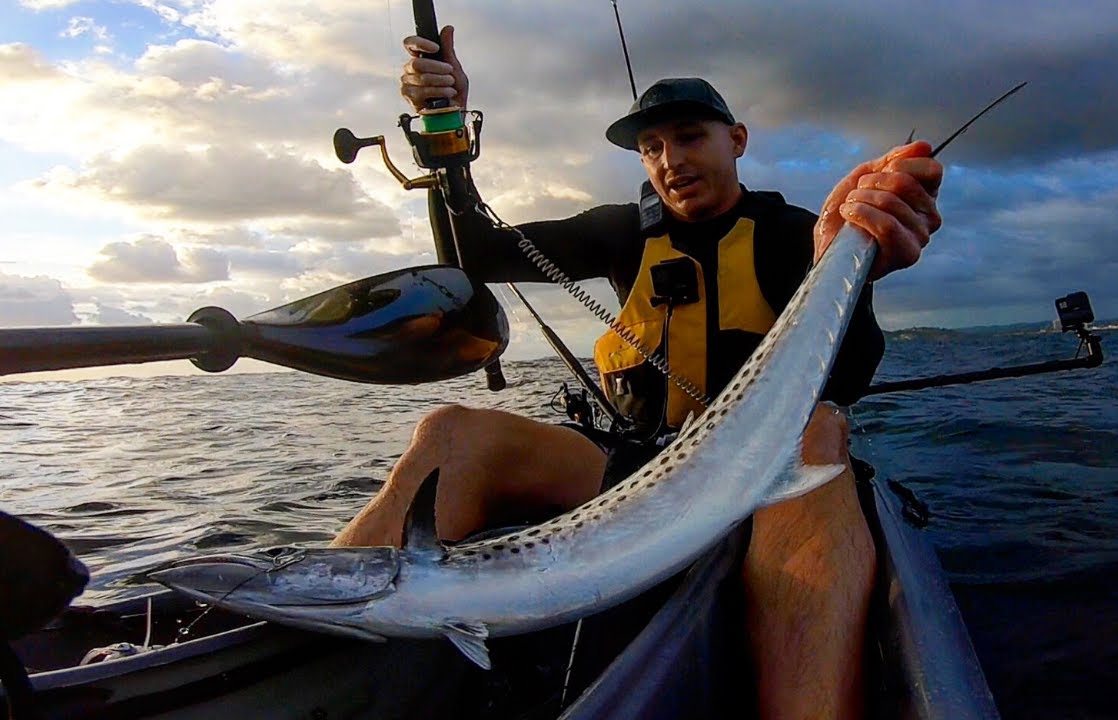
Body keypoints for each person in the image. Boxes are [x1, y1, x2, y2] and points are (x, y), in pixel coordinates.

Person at [335, 25, 943, 720]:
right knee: (450, 433)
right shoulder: (621, 231)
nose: (669, 160)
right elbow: (471, 254)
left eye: (689, 137)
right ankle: (304, 648)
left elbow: (851, 371)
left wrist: (856, 270)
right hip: (635, 468)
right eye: (651, 148)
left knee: (821, 426)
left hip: (767, 475)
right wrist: (444, 134)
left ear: (736, 140)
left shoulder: (792, 232)